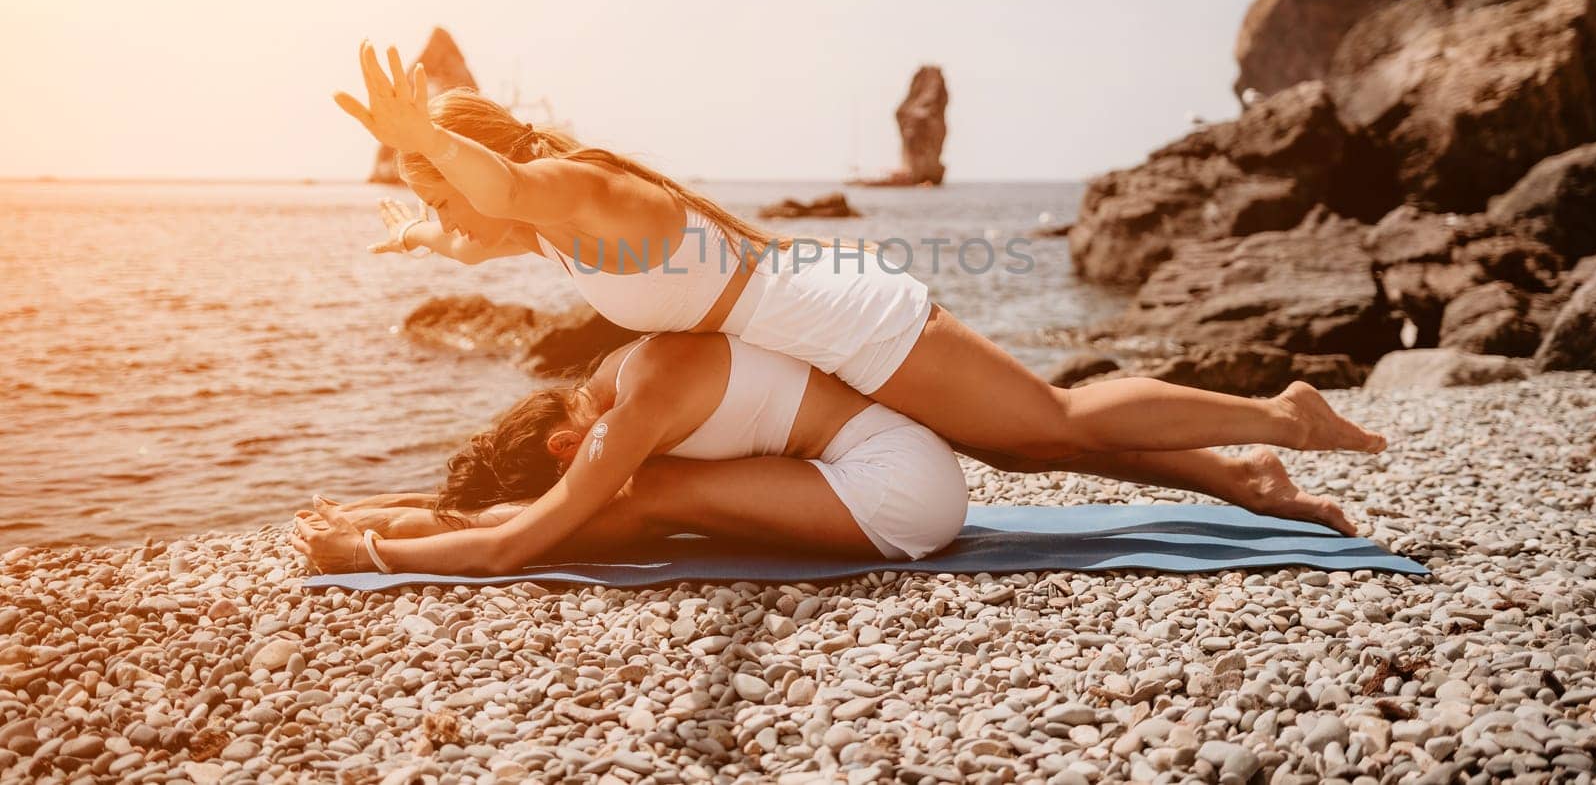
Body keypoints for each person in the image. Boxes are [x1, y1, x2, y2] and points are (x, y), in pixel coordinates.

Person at [333, 42, 1386, 508]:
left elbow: (501, 195)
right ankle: (1243, 478)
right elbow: (489, 228)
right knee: (1023, 449)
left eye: (438, 180)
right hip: (820, 322)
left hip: (846, 321)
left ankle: (1279, 416)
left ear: (490, 159)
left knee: (1054, 417)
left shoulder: (575, 190)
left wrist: (425, 133)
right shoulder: (554, 221)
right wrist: (430, 235)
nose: (440, 200)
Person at [292, 330, 1362, 577]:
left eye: (570, 462)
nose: (581, 469)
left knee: (639, 502)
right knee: (1047, 434)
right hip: (889, 444)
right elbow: (538, 505)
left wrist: (377, 551)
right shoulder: (630, 366)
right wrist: (394, 503)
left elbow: (532, 533)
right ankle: (1240, 471)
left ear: (573, 439)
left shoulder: (631, 427)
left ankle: (1262, 430)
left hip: (898, 490)